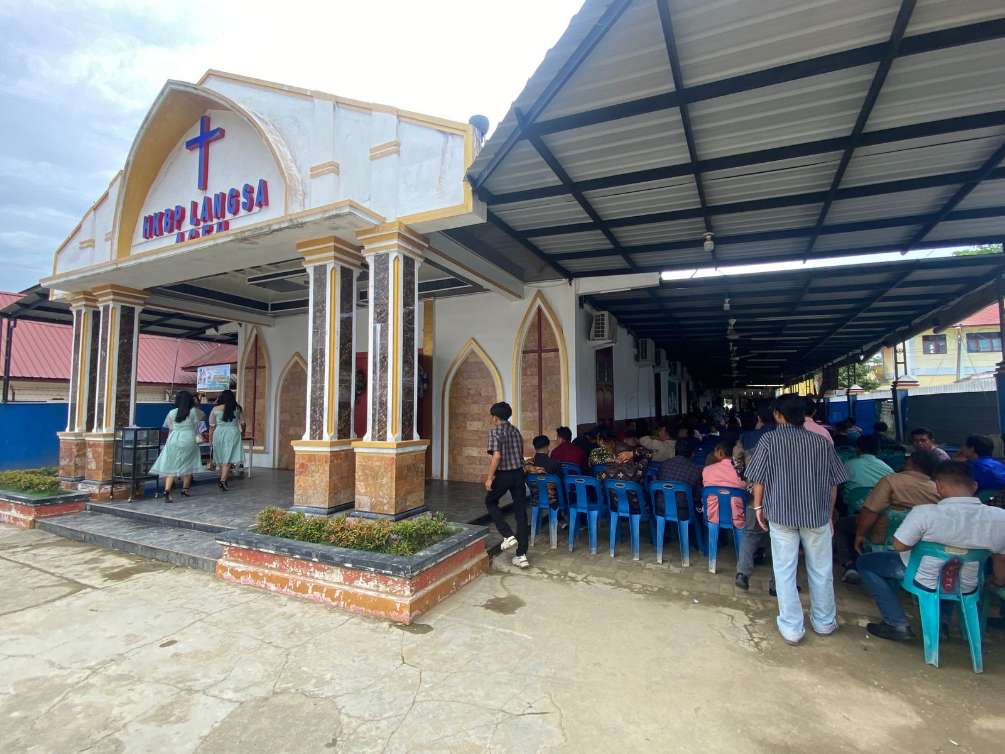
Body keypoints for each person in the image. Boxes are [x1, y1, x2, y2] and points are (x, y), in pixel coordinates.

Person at [856, 461, 1005, 642]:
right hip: (966, 583)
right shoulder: (1000, 517)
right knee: (954, 569)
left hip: (922, 578)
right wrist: (997, 581)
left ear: (938, 486)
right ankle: (942, 624)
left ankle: (897, 623)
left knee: (866, 563)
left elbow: (899, 546)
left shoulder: (924, 512)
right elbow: (1001, 560)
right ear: (974, 486)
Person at [744, 394, 849, 645]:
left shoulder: (769, 440)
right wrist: (828, 512)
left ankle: (792, 627)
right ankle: (824, 622)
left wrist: (758, 506)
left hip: (780, 515)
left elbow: (759, 478)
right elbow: (834, 482)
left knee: (784, 570)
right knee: (821, 570)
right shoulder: (821, 441)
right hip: (816, 515)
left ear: (778, 415)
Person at [835, 449, 941, 582]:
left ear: (910, 462)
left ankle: (855, 564)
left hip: (884, 536)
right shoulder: (937, 489)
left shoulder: (891, 480)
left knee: (844, 524)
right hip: (917, 539)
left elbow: (870, 511)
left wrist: (860, 534)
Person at [484, 402, 531, 569]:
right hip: (518, 474)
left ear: (495, 417)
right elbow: (520, 455)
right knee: (521, 513)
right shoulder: (515, 431)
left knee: (490, 501)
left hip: (504, 475)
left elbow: (496, 457)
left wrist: (489, 478)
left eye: (492, 416)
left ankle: (507, 535)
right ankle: (522, 555)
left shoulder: (495, 431)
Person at [151, 390, 205, 503]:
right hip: (189, 438)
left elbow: (170, 428)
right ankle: (185, 490)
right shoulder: (194, 412)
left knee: (172, 465)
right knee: (189, 463)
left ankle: (167, 490)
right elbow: (200, 421)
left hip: (174, 439)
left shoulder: (171, 412)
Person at [701, 442, 746, 529]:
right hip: (738, 517)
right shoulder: (741, 471)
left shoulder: (706, 470)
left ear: (720, 452)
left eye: (715, 451)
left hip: (711, 517)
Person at [658, 439, 702, 521]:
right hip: (683, 510)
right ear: (692, 454)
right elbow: (697, 494)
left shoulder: (664, 464)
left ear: (675, 451)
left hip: (661, 507)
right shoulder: (695, 469)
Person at [597, 441, 648, 514]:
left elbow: (601, 490)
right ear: (629, 457)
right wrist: (632, 453)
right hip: (636, 509)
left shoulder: (605, 471)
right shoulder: (638, 469)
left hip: (614, 508)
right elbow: (649, 453)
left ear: (614, 455)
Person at [209, 389, 244, 491]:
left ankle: (222, 479)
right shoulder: (237, 409)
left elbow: (212, 426)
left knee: (221, 457)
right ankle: (223, 480)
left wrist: (210, 440)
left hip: (219, 433)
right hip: (233, 433)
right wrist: (243, 433)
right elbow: (243, 423)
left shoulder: (215, 409)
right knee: (228, 457)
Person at [525, 434, 561, 510]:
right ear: (547, 446)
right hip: (552, 500)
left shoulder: (528, 464)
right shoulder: (554, 463)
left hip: (535, 498)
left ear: (535, 447)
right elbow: (559, 482)